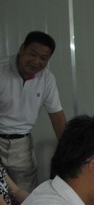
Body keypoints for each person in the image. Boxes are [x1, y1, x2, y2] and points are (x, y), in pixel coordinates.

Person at [0, 31, 67, 192]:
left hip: (21, 143)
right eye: (32, 54)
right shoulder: (2, 70)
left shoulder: (46, 78)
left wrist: (68, 149)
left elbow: (56, 115)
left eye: (43, 58)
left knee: (25, 191)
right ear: (22, 49)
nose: (36, 61)